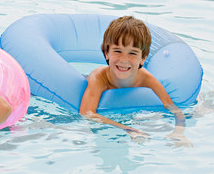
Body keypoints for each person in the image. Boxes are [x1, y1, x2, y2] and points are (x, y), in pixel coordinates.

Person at [79, 16, 191, 146]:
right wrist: (128, 129)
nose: (124, 60)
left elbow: (173, 108)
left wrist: (178, 132)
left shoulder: (146, 78)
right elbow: (86, 113)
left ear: (143, 58)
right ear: (106, 53)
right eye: (117, 51)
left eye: (132, 53)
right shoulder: (99, 77)